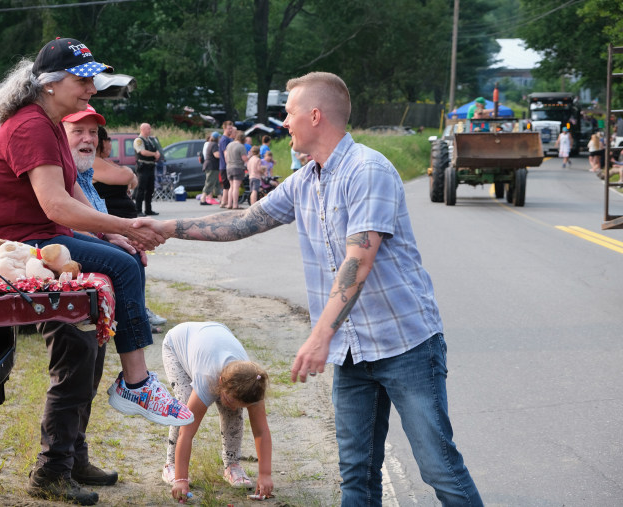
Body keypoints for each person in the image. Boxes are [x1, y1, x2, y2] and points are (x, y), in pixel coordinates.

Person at [136, 71, 482, 506]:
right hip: (353, 355)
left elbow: (360, 258)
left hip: (406, 346)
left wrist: (320, 336)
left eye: (289, 112)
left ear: (315, 115)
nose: (284, 122)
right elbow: (242, 221)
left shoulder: (368, 170)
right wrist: (166, 227)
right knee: (356, 473)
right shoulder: (305, 180)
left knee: (438, 467)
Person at [0, 37, 193, 505]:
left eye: (93, 79)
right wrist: (126, 226)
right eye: (81, 79)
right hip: (10, 249)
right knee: (110, 289)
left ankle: (70, 455)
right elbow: (57, 206)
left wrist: (111, 234)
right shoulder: (30, 125)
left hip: (39, 238)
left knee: (88, 337)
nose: (91, 87)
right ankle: (129, 392)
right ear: (49, 84)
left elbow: (72, 201)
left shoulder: (48, 123)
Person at [64, 107, 167, 332]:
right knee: (126, 261)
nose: (89, 138)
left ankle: (136, 316)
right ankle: (134, 328)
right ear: (60, 135)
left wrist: (115, 235)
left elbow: (97, 215)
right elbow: (66, 221)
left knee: (131, 253)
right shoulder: (65, 170)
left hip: (101, 231)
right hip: (63, 242)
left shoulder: (85, 172)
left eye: (94, 132)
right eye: (78, 131)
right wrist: (113, 235)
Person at [160, 322, 273, 502]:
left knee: (232, 414)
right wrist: (181, 479)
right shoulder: (207, 379)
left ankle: (231, 465)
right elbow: (186, 432)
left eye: (241, 405)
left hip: (214, 337)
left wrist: (265, 474)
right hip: (177, 345)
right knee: (184, 407)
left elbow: (261, 432)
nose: (235, 406)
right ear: (220, 381)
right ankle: (171, 465)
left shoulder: (254, 385)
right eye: (230, 400)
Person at [133, 123, 162, 216]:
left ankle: (148, 210)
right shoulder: (139, 140)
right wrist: (154, 154)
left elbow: (155, 149)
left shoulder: (150, 140)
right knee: (141, 189)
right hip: (143, 167)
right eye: (148, 128)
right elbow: (142, 152)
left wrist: (157, 153)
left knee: (150, 189)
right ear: (143, 129)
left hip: (151, 167)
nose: (150, 130)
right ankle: (138, 210)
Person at [224, 132, 248, 209]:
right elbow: (244, 158)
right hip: (238, 168)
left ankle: (229, 204)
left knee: (231, 187)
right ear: (243, 139)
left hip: (229, 167)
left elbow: (226, 157)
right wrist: (249, 156)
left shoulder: (229, 145)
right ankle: (235, 205)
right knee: (236, 187)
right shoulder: (241, 146)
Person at [199, 131, 221, 206]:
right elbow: (217, 155)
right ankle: (203, 199)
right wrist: (224, 154)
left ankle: (221, 199)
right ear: (217, 138)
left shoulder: (210, 144)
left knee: (216, 184)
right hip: (212, 166)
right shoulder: (214, 145)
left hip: (210, 166)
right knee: (209, 182)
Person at [218, 121, 235, 208]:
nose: (230, 130)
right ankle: (226, 202)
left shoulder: (227, 139)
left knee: (226, 186)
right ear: (224, 129)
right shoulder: (224, 139)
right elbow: (225, 153)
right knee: (227, 185)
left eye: (231, 128)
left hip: (224, 166)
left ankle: (223, 202)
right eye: (229, 128)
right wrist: (229, 164)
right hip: (225, 166)